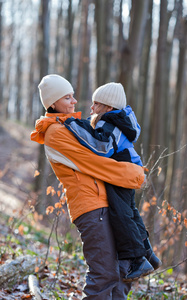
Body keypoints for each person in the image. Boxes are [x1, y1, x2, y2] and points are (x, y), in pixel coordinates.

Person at [30, 74, 146, 299]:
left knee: (123, 273)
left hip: (107, 203)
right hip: (91, 207)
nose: (74, 101)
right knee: (104, 275)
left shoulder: (71, 126)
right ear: (53, 103)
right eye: (67, 97)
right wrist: (136, 174)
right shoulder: (56, 133)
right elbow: (97, 164)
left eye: (73, 96)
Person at [64, 82, 162, 281]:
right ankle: (148, 254)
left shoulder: (109, 122)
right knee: (131, 212)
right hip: (128, 167)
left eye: (96, 104)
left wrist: (73, 124)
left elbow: (102, 147)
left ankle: (137, 260)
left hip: (122, 169)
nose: (91, 108)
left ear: (108, 107)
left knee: (121, 213)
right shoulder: (120, 119)